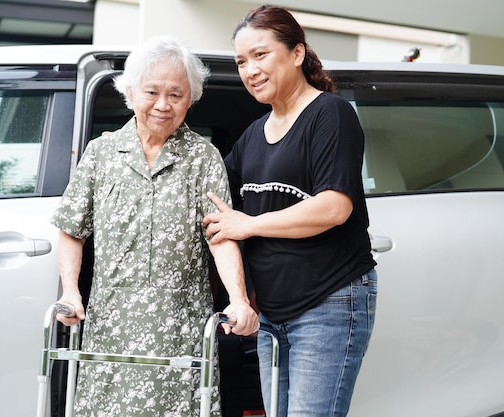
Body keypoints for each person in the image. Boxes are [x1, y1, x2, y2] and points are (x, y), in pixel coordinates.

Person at [51, 35, 258, 417]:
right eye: (152, 92)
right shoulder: (102, 153)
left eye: (176, 95)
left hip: (179, 330)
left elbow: (221, 235)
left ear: (190, 99)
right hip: (111, 328)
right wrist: (70, 291)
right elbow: (70, 228)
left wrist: (238, 300)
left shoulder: (202, 157)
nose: (163, 105)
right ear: (130, 92)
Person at [202, 5, 377, 417]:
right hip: (273, 314)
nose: (249, 70)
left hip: (329, 301)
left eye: (260, 55)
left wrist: (249, 225)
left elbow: (334, 206)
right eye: (242, 61)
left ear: (297, 54)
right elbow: (213, 197)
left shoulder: (329, 114)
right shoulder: (252, 136)